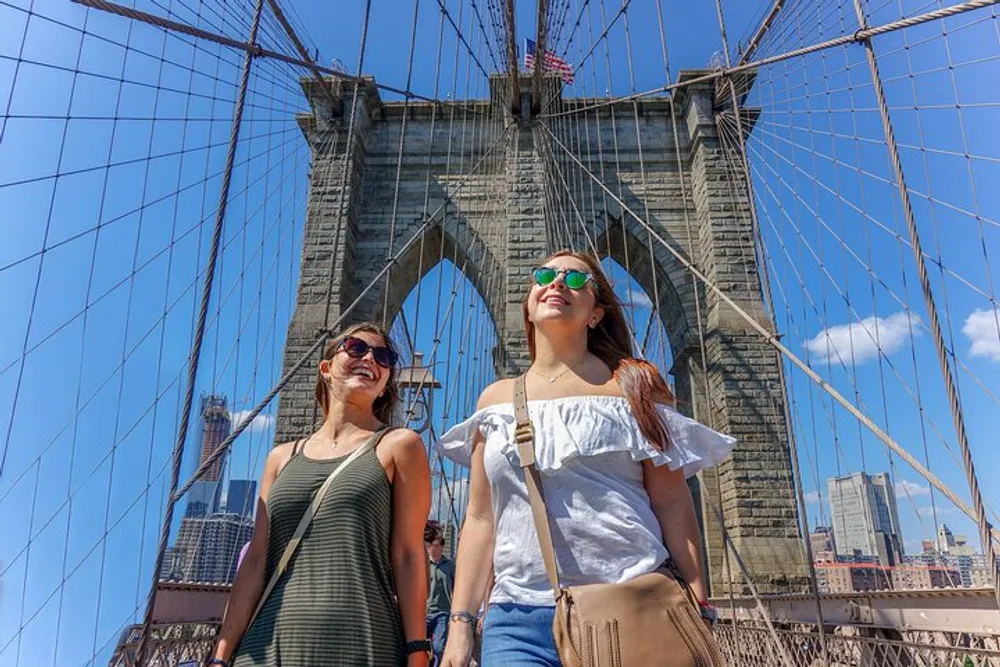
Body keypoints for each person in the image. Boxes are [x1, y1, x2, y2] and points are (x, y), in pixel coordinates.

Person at [436, 251, 737, 667]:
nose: (557, 283)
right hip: (517, 619)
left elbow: (671, 501)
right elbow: (481, 517)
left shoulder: (632, 391)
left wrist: (697, 598)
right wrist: (460, 624)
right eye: (544, 275)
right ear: (529, 302)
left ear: (595, 314)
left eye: (576, 280)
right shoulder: (496, 401)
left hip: (630, 604)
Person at [209, 323, 433, 667]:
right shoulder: (281, 457)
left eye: (383, 356)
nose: (370, 358)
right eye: (356, 348)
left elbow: (408, 555)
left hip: (364, 643)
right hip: (267, 645)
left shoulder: (399, 446)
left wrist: (417, 649)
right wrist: (221, 657)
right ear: (326, 368)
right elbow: (257, 559)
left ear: (387, 380)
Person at [425, 520, 456, 661]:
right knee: (420, 647)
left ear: (442, 547)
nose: (432, 549)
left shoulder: (450, 566)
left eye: (436, 546)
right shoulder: (424, 564)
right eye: (430, 545)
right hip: (425, 612)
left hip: (442, 613)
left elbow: (456, 586)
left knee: (438, 647)